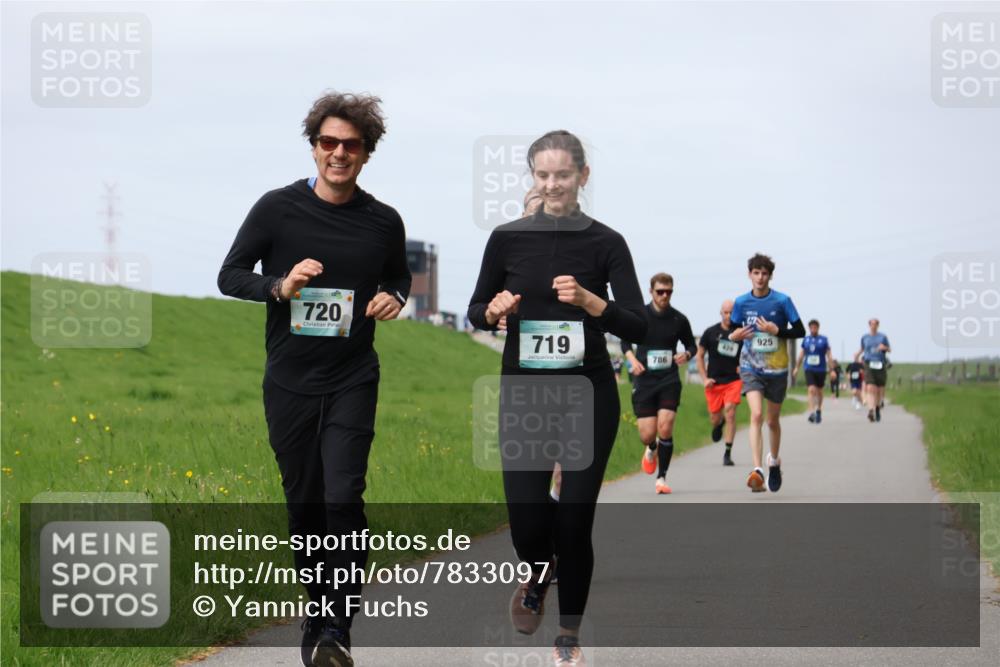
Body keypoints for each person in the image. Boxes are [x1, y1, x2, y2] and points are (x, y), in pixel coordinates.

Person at [218, 92, 411, 667]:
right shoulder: (276, 209)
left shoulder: (383, 221)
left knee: (343, 497)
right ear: (314, 146)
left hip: (353, 377)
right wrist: (279, 286)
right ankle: (318, 606)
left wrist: (394, 296)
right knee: (305, 506)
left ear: (366, 153)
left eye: (351, 145)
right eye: (329, 142)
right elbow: (230, 275)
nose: (339, 153)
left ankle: (336, 628)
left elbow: (399, 275)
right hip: (289, 381)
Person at [468, 130, 646, 667]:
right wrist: (494, 311)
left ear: (582, 177)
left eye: (562, 176)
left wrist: (595, 302)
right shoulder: (506, 238)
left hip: (587, 394)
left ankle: (568, 636)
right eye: (542, 176)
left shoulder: (606, 242)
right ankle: (537, 571)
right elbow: (475, 310)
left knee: (574, 520)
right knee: (527, 521)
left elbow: (639, 324)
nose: (552, 185)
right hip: (525, 392)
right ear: (532, 178)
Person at [729, 254, 805, 493]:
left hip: (777, 368)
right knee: (756, 415)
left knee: (772, 420)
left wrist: (777, 330)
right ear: (749, 274)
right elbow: (733, 332)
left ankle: (773, 461)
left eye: (764, 273)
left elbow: (800, 331)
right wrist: (734, 336)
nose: (760, 278)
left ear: (770, 276)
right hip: (751, 367)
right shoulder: (741, 303)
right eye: (756, 273)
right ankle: (757, 468)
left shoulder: (782, 301)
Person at [621, 273, 696, 493]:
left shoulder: (678, 319)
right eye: (660, 291)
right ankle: (651, 447)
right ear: (651, 291)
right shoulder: (640, 315)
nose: (664, 296)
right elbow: (625, 340)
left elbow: (692, 345)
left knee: (665, 426)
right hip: (644, 379)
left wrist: (687, 355)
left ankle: (661, 478)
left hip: (669, 379)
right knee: (647, 433)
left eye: (669, 292)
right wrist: (632, 359)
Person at [696, 299, 742, 466]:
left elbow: (749, 352)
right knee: (715, 418)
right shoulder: (710, 333)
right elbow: (699, 355)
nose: (729, 315)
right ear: (721, 313)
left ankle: (727, 453)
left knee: (730, 412)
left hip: (733, 381)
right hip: (714, 382)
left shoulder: (740, 332)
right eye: (726, 312)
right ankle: (718, 423)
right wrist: (704, 378)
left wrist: (743, 368)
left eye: (732, 312)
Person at [792, 319, 834, 424]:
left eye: (815, 327)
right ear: (809, 328)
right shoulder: (806, 340)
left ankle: (819, 409)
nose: (813, 329)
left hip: (821, 369)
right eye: (811, 327)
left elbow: (829, 355)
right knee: (811, 389)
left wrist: (832, 370)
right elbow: (801, 355)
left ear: (818, 328)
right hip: (809, 368)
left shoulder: (824, 340)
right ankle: (811, 412)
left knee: (819, 391)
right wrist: (797, 367)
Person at [856, 318, 891, 422]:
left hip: (880, 364)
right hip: (869, 364)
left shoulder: (883, 337)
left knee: (880, 389)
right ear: (869, 325)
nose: (873, 326)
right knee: (871, 388)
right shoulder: (865, 337)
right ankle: (871, 410)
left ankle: (877, 407)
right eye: (872, 324)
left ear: (878, 325)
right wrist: (856, 355)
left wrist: (884, 347)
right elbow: (862, 349)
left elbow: (889, 349)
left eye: (875, 324)